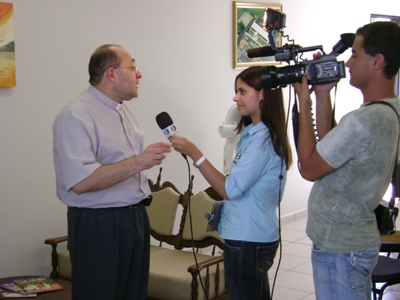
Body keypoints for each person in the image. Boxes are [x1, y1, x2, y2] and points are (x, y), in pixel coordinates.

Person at [52, 44, 171, 300]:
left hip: (134, 219)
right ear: (111, 74)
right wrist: (140, 161)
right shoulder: (76, 116)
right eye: (133, 67)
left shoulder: (124, 111)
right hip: (100, 224)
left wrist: (140, 163)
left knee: (134, 294)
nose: (139, 74)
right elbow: (81, 182)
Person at [293, 21, 400, 300]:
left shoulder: (364, 121)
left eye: (354, 54)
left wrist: (303, 102)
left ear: (377, 62)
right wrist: (323, 93)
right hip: (353, 243)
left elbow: (309, 166)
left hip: (340, 249)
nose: (348, 63)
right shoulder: (389, 110)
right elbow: (331, 149)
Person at [170, 66, 292, 300]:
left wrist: (196, 154)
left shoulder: (262, 141)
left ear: (263, 94)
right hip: (250, 235)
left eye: (242, 91)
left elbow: (230, 189)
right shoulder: (253, 133)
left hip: (249, 240)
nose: (235, 98)